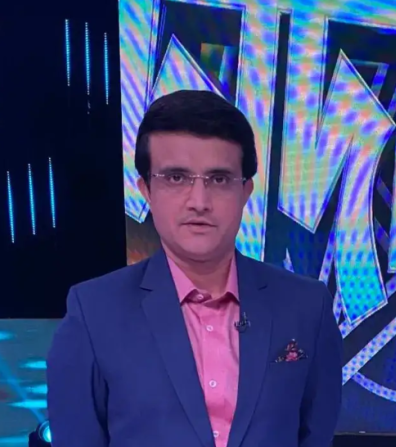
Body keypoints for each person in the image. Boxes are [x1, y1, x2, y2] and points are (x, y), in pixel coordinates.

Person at [46, 89, 342, 447]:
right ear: (146, 190)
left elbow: (316, 434)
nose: (199, 202)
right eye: (176, 178)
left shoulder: (307, 307)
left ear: (246, 191)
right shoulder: (93, 312)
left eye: (219, 179)